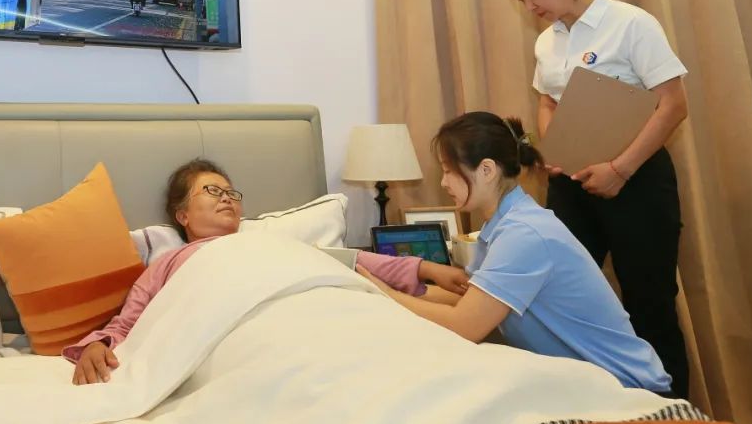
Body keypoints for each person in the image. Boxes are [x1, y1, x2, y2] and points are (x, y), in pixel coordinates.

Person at [67, 158, 469, 385]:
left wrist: (427, 267)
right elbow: (128, 322)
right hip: (245, 333)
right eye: (212, 191)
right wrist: (95, 347)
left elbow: (351, 261)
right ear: (183, 215)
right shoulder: (169, 263)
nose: (227, 198)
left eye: (231, 192)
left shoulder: (272, 243)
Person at [358, 112, 673, 394]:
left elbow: (465, 324)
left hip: (626, 388)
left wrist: (387, 294)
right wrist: (388, 288)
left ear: (486, 170)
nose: (443, 183)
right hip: (588, 384)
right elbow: (470, 302)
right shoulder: (503, 225)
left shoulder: (524, 234)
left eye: (449, 171)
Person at [504, 0, 689, 398]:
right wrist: (555, 150)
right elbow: (548, 101)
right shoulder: (547, 41)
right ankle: (595, 405)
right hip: (572, 185)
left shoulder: (629, 23)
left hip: (637, 181)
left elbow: (673, 105)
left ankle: (670, 411)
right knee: (568, 298)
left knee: (649, 304)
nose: (529, 6)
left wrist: (620, 170)